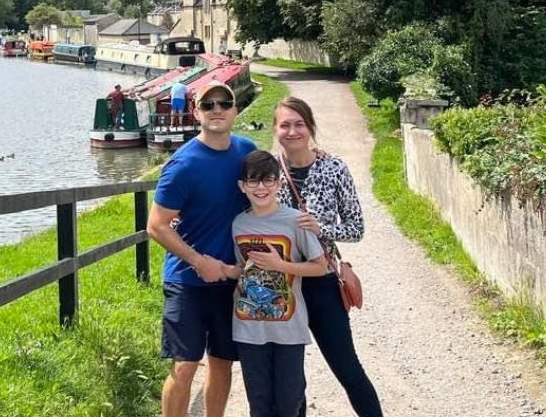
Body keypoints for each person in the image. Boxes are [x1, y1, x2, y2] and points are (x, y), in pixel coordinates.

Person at [146, 81, 257, 417]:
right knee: (185, 365)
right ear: (196, 112)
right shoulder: (184, 165)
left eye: (225, 104)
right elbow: (156, 225)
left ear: (236, 111)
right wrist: (198, 261)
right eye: (209, 105)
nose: (217, 110)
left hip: (231, 280)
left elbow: (274, 182)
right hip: (187, 280)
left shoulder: (246, 152)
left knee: (222, 362)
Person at [272, 97, 383, 417]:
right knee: (293, 379)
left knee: (348, 369)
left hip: (321, 282)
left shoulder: (334, 168)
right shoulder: (267, 169)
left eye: (299, 124)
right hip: (282, 285)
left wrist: (322, 228)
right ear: (275, 129)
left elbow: (356, 227)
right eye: (285, 124)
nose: (292, 131)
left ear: (310, 127)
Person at [231, 150, 327, 417]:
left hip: (289, 327)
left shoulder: (295, 221)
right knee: (259, 404)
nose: (261, 187)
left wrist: (280, 266)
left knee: (289, 402)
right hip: (248, 326)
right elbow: (242, 269)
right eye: (253, 181)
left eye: (268, 180)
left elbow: (320, 266)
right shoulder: (238, 224)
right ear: (242, 186)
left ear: (279, 183)